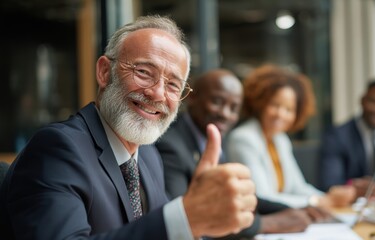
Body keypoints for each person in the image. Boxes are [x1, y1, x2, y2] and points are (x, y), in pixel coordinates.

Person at [0, 15, 257, 240]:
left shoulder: (148, 155)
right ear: (104, 72)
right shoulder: (58, 149)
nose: (157, 93)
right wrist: (186, 218)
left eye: (172, 85)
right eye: (144, 72)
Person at [155, 69, 333, 238]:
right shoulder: (172, 145)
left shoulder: (217, 136)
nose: (225, 114)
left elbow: (243, 197)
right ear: (192, 97)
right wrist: (269, 223)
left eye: (233, 108)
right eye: (217, 101)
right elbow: (186, 217)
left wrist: (294, 210)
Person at [225, 64, 355, 209]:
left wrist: (328, 198)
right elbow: (263, 197)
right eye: (275, 105)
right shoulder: (244, 138)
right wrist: (316, 202)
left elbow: (297, 187)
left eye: (289, 109)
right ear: (261, 103)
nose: (281, 114)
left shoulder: (280, 139)